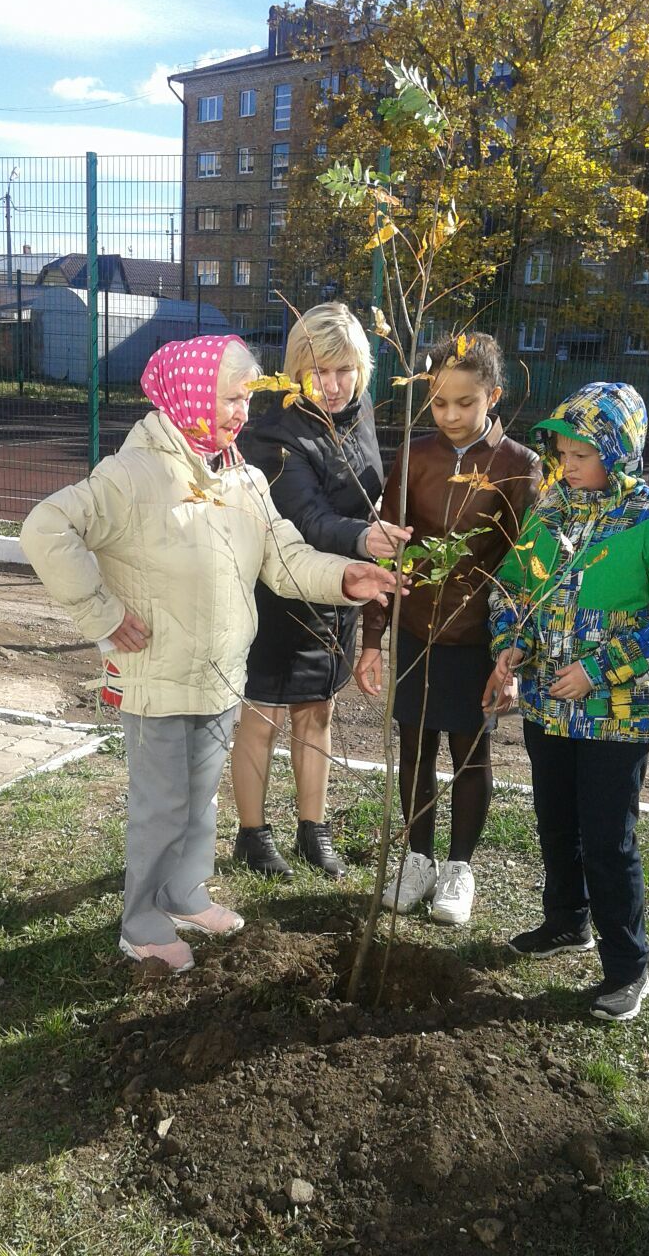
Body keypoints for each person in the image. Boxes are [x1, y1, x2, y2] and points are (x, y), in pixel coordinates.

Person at [20, 334, 400, 973]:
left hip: (223, 674)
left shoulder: (242, 478)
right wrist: (103, 615)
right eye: (228, 399)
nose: (239, 414)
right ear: (190, 394)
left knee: (200, 798)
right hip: (160, 679)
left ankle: (184, 892)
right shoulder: (134, 474)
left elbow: (283, 559)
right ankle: (141, 922)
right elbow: (44, 528)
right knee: (160, 806)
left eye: (245, 399)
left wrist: (345, 576)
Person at [490, 382, 649, 1021]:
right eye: (561, 453)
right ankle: (567, 921)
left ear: (618, 453)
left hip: (617, 716)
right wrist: (509, 646)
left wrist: (598, 671)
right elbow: (511, 589)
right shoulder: (550, 511)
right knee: (556, 819)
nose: (565, 465)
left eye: (580, 455)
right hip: (546, 704)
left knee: (607, 837)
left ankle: (628, 967)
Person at [357, 333, 540, 924]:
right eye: (439, 403)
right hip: (416, 630)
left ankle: (458, 867)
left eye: (466, 402)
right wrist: (373, 637)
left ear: (495, 394)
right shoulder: (416, 456)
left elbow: (526, 569)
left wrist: (511, 655)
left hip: (477, 639)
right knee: (413, 746)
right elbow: (388, 550)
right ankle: (417, 858)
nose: (452, 415)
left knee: (470, 752)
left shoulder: (518, 467)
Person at [230, 303, 411, 880]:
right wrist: (366, 537)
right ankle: (253, 835)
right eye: (319, 372)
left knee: (319, 711)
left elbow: (363, 489)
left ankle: (314, 830)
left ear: (362, 369)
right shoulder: (274, 434)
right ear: (296, 370)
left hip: (338, 591)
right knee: (262, 718)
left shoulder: (357, 417)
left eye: (345, 371)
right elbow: (304, 518)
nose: (333, 386)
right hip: (281, 594)